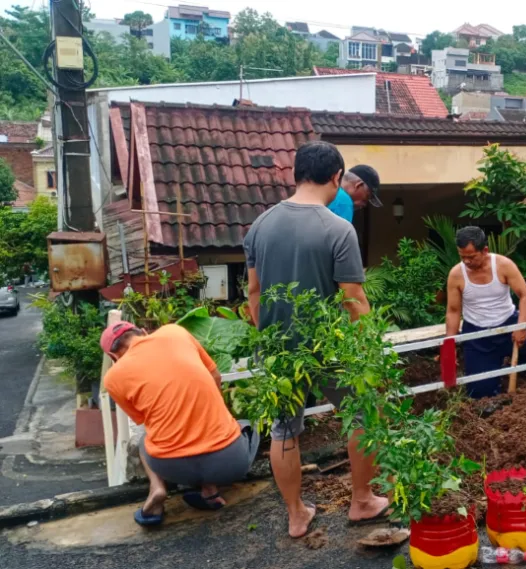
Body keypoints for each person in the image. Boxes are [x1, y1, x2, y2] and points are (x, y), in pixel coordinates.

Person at [243, 141, 389, 538]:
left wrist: (270, 337)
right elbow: (354, 300)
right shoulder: (338, 229)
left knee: (284, 431)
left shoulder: (260, 226)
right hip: (331, 344)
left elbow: (253, 293)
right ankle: (362, 501)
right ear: (337, 177)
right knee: (362, 416)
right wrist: (370, 350)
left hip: (279, 348)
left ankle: (295, 515)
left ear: (297, 174)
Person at [101, 321, 260, 527]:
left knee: (144, 441)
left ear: (114, 357)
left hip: (173, 469)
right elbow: (215, 375)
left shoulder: (113, 377)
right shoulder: (174, 332)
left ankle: (157, 489)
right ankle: (210, 490)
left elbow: (143, 420)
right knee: (248, 426)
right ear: (144, 332)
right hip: (230, 464)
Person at [445, 226, 526, 399]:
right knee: (480, 394)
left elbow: (525, 296)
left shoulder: (503, 265)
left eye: (471, 257)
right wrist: (450, 344)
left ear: (484, 250)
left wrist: (521, 326)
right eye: (462, 257)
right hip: (477, 335)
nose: (467, 262)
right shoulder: (456, 274)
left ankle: (523, 384)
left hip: (509, 325)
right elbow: (453, 311)